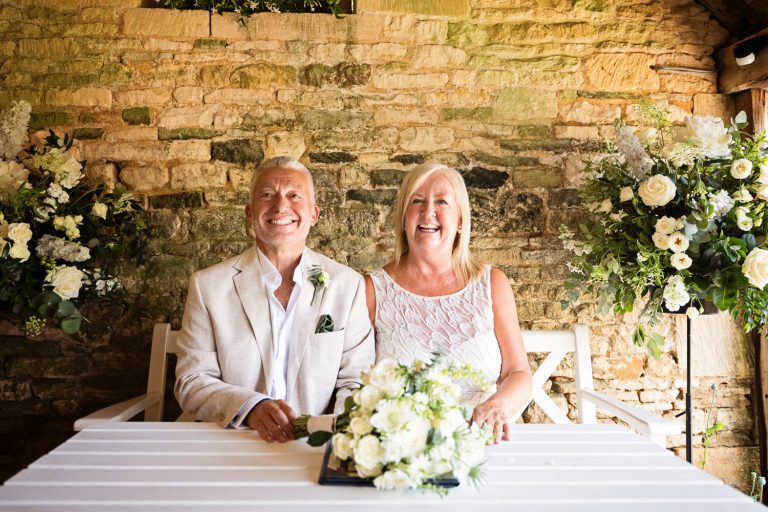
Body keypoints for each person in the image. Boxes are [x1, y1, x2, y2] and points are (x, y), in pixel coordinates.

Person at [175, 156, 374, 443]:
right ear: (249, 213)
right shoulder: (208, 286)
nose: (281, 206)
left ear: (314, 214)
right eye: (267, 195)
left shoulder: (348, 285)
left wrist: (333, 437)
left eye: (294, 196)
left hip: (314, 446)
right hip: (234, 440)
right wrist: (250, 408)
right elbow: (191, 380)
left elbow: (357, 380)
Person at [365, 162, 532, 443]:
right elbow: (355, 381)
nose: (427, 211)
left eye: (441, 201)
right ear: (403, 218)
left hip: (481, 444)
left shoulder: (492, 284)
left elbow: (519, 373)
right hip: (403, 449)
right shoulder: (373, 290)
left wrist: (497, 406)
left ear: (460, 220)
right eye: (416, 201)